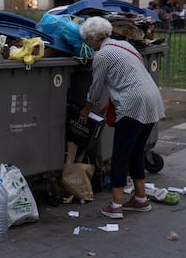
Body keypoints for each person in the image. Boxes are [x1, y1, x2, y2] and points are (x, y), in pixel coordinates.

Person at [78, 16, 165, 219]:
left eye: (87, 40)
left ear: (93, 37)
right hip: (151, 99)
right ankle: (141, 199)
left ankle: (116, 204)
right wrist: (110, 104)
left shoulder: (102, 55)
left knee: (120, 154)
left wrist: (87, 108)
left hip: (132, 104)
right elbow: (132, 75)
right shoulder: (125, 46)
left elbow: (96, 87)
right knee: (136, 151)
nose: (87, 44)